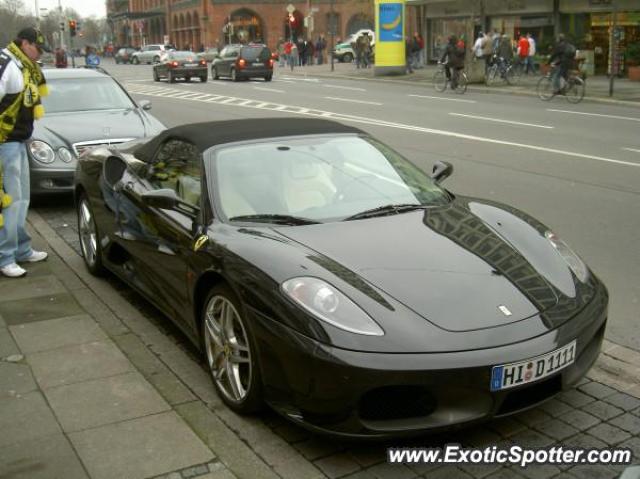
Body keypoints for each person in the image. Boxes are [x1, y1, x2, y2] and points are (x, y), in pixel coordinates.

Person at [0, 27, 50, 277]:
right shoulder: (8, 65)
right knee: (10, 202)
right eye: (37, 49)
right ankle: (5, 257)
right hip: (5, 142)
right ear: (25, 43)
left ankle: (21, 249)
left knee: (22, 200)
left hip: (18, 141)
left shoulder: (25, 66)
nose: (38, 55)